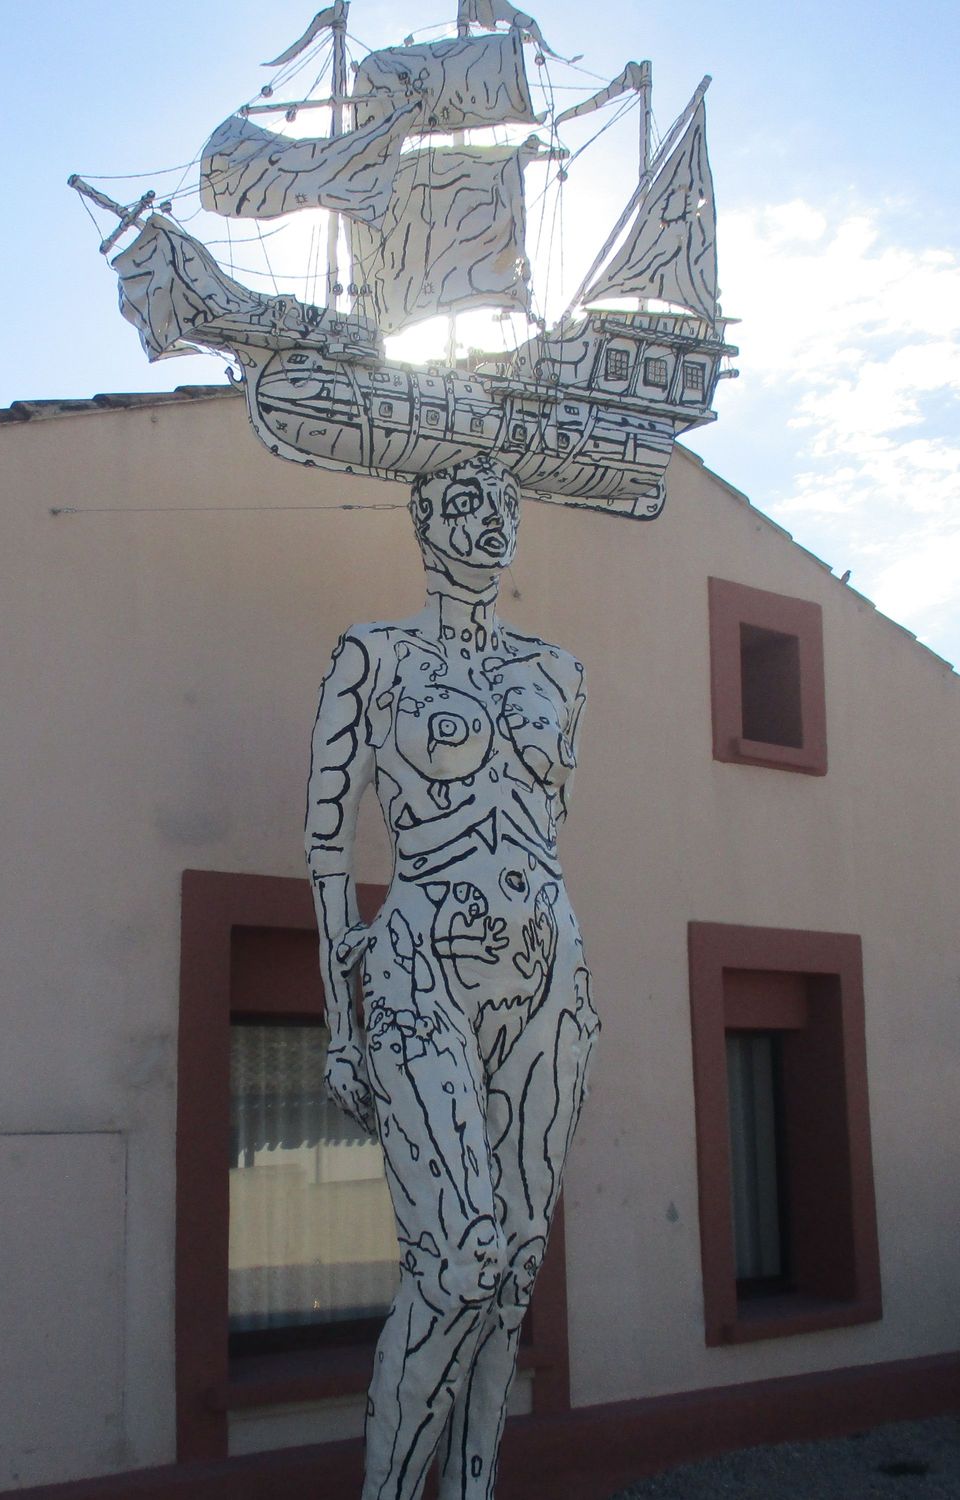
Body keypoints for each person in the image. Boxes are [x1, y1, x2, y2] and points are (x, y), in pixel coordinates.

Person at [305, 455, 599, 1500]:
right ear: (422, 520)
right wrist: (342, 1030)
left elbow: (547, 831)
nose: (490, 522)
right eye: (464, 503)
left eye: (503, 504)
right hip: (423, 960)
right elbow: (327, 847)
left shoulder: (558, 672)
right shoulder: (373, 657)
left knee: (512, 1273)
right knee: (458, 1263)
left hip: (550, 973)